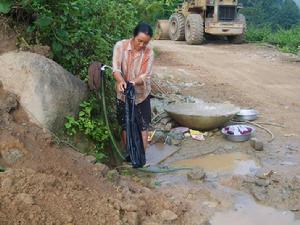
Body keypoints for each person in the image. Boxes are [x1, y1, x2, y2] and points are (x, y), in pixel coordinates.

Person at [112, 22, 154, 152]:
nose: (141, 45)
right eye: (139, 41)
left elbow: (145, 76)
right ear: (133, 36)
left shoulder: (149, 53)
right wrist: (120, 81)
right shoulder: (120, 46)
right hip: (123, 94)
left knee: (143, 126)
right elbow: (116, 69)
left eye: (145, 43)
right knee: (126, 125)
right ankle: (129, 156)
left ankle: (141, 158)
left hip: (142, 95)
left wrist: (133, 83)